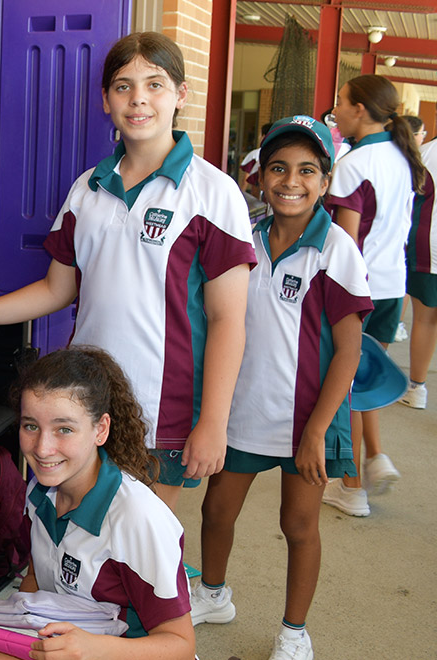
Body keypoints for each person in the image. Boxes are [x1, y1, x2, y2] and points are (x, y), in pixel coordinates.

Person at [0, 32, 256, 513]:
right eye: (123, 86)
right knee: (75, 543)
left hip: (162, 415)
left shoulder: (215, 193)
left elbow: (229, 319)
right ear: (106, 100)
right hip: (83, 406)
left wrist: (212, 421)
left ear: (181, 95)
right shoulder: (87, 188)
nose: (139, 99)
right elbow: (55, 288)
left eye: (155, 84)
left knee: (135, 554)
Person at [191, 116, 371, 660]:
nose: (291, 180)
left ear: (324, 180)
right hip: (242, 412)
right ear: (259, 177)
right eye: (278, 168)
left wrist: (318, 430)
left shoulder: (337, 249)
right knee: (217, 512)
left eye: (307, 170)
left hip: (303, 422)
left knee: (298, 525)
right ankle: (214, 593)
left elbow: (349, 349)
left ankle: (294, 631)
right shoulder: (241, 237)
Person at [0, 347, 194, 660]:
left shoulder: (137, 518)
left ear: (100, 429)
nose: (43, 448)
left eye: (64, 429)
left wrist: (94, 648)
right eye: (30, 426)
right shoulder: (38, 491)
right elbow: (37, 580)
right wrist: (15, 626)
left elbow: (181, 646)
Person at [322, 75, 427, 516]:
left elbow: (345, 242)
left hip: (357, 287)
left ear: (360, 109)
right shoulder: (403, 156)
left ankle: (351, 486)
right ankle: (375, 457)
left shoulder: (353, 163)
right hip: (390, 286)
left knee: (343, 387)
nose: (337, 110)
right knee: (360, 383)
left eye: (341, 103)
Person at [401, 115, 437, 408]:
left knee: (425, 320)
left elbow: (409, 200)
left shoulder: (426, 154)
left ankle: (418, 389)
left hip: (429, 245)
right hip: (428, 245)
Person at [239, 122, 272, 195]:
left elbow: (246, 179)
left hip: (259, 197)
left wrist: (241, 195)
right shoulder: (279, 154)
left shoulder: (255, 154)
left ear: (263, 136)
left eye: (260, 135)